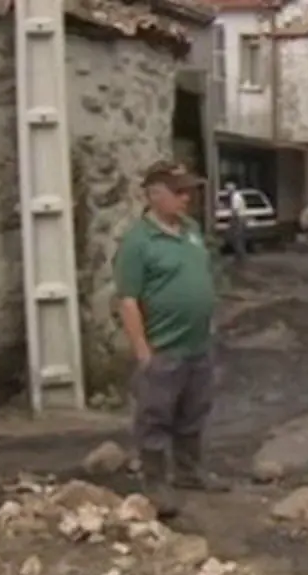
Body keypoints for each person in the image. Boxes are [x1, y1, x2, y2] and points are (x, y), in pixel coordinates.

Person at [114, 160, 231, 518]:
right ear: (154, 195)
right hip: (163, 346)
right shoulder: (137, 243)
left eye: (189, 191)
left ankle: (189, 471)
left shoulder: (191, 230)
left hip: (197, 343)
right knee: (156, 415)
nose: (187, 198)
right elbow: (128, 300)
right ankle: (155, 481)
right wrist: (142, 351)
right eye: (179, 192)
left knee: (194, 411)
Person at [224, 181, 247, 263]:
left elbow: (235, 210)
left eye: (227, 190)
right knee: (238, 237)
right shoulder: (237, 196)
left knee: (237, 238)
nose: (227, 192)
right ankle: (240, 256)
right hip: (241, 218)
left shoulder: (235, 197)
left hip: (239, 219)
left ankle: (240, 257)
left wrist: (231, 221)